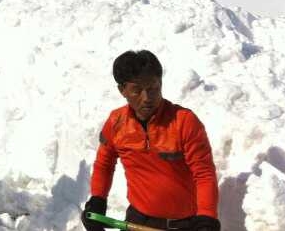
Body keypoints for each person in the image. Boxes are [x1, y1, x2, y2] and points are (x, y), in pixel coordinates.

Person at [81, 50, 220, 231]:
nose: (147, 98)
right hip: (137, 221)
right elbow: (104, 164)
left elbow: (204, 173)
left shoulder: (184, 122)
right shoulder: (116, 123)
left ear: (160, 83)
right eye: (137, 90)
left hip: (184, 224)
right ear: (122, 90)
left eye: (153, 88)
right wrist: (97, 200)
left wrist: (207, 217)